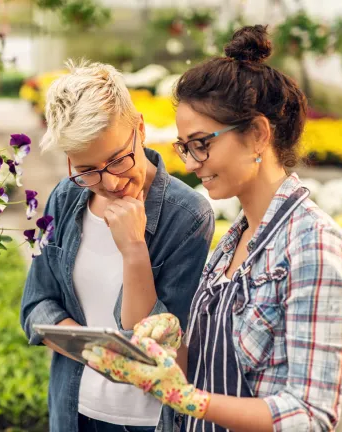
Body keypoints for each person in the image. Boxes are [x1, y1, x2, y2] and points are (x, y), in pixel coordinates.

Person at [83, 25, 342, 432]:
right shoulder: (233, 241)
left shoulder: (315, 249)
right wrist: (163, 347)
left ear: (257, 135)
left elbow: (309, 414)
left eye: (201, 143)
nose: (190, 163)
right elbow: (197, 371)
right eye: (184, 146)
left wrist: (188, 400)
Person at [20, 60, 215, 432]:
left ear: (140, 128)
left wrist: (134, 251)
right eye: (88, 169)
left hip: (145, 421)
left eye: (117, 161)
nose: (109, 183)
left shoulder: (187, 216)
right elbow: (36, 305)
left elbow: (158, 348)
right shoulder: (65, 198)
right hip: (72, 408)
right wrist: (96, 354)